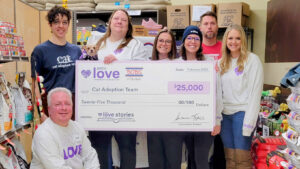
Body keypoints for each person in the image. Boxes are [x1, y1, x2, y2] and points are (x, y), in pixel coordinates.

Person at [89, 9, 147, 169]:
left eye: (124, 20)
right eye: (116, 18)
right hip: (100, 106)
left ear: (128, 26)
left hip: (126, 106)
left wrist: (120, 63)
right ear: (110, 22)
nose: (119, 21)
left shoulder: (135, 45)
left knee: (127, 148)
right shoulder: (98, 42)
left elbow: (143, 72)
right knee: (98, 148)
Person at [218, 24, 263, 169]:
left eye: (238, 38)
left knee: (242, 159)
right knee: (230, 158)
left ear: (243, 40)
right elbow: (218, 93)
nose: (234, 42)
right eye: (230, 38)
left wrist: (249, 122)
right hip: (225, 116)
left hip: (242, 115)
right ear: (225, 40)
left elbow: (255, 94)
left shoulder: (252, 60)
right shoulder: (221, 63)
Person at [180, 25, 223, 169]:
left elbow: (217, 93)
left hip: (205, 120)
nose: (193, 41)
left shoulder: (210, 63)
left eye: (196, 38)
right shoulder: (176, 63)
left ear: (200, 42)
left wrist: (217, 119)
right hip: (184, 120)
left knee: (201, 160)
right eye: (189, 38)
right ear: (184, 40)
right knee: (191, 159)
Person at [31, 6, 81, 120]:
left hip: (71, 106)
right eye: (56, 22)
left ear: (68, 24)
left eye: (64, 22)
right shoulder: (40, 51)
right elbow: (35, 86)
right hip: (50, 106)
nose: (61, 26)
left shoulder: (76, 51)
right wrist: (41, 114)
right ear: (50, 24)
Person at [30, 87, 100, 169]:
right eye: (58, 104)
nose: (64, 108)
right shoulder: (44, 134)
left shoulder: (77, 127)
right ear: (49, 109)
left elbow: (90, 156)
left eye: (67, 104)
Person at [147, 29, 185, 169]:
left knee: (173, 162)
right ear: (156, 43)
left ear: (173, 45)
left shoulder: (180, 65)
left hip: (173, 123)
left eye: (168, 41)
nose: (164, 44)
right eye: (161, 40)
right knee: (156, 163)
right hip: (153, 122)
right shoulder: (147, 65)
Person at [199, 11, 225, 169]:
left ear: (217, 26)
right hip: (201, 107)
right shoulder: (194, 48)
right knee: (199, 152)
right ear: (200, 27)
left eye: (212, 23)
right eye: (206, 23)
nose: (209, 26)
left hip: (223, 106)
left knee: (220, 150)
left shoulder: (225, 48)